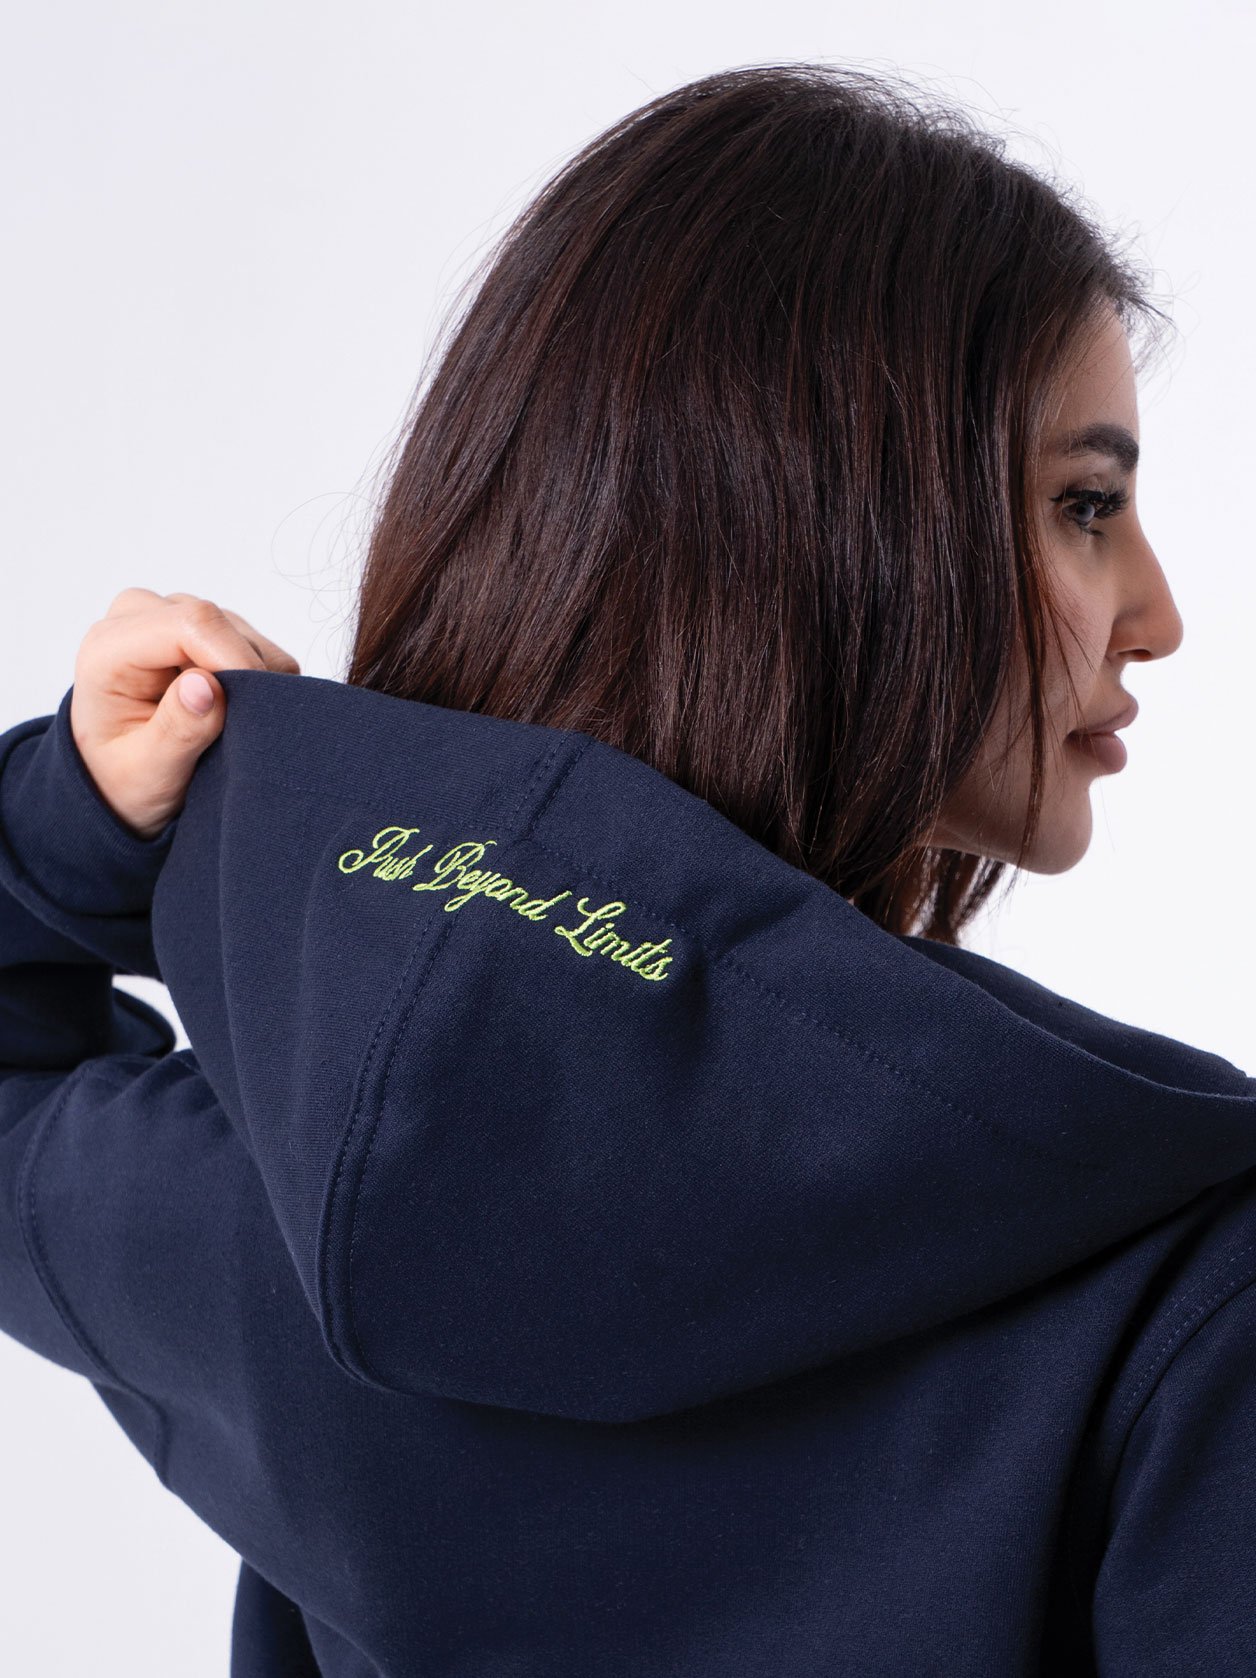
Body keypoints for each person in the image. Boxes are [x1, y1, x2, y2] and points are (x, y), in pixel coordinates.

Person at [1, 61, 1253, 1678]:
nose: (1157, 613)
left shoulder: (279, 1206)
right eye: (1085, 503)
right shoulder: (1185, 1301)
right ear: (821, 527)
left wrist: (82, 812)